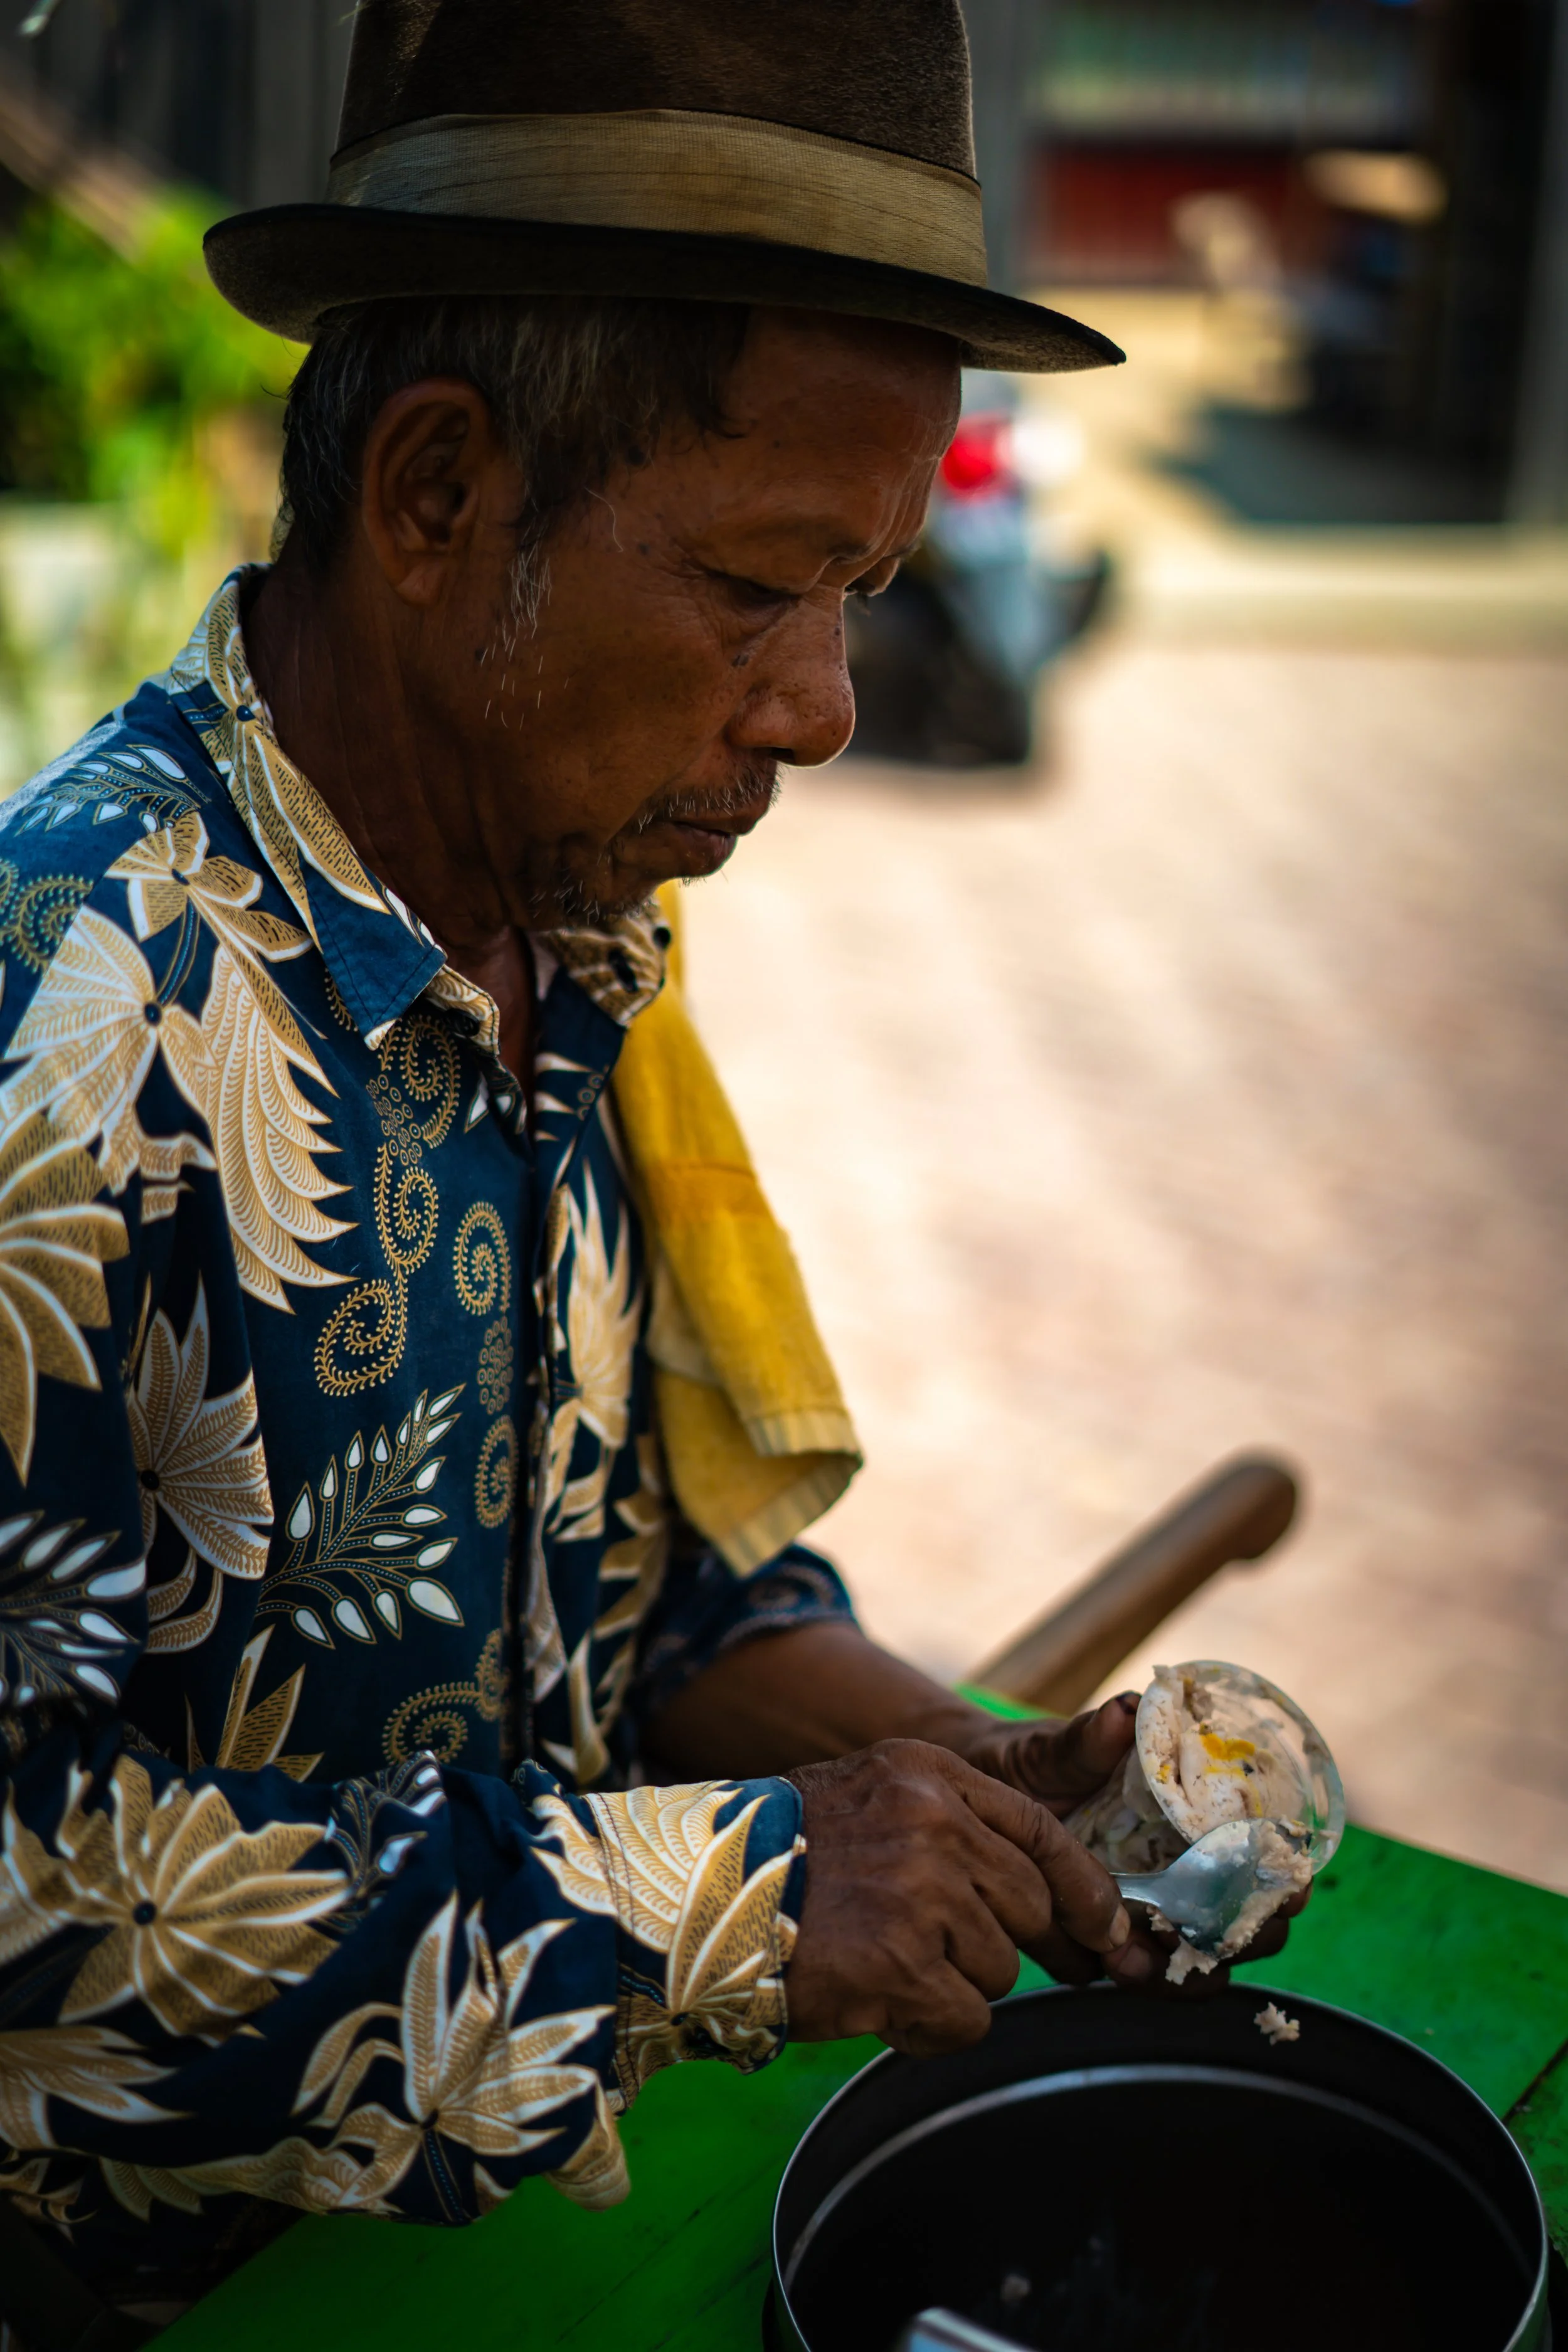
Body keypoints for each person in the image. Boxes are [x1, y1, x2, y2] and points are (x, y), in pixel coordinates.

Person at [0, 1, 1298, 2334]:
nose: (819, 703)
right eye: (750, 586)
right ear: (432, 496)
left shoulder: (571, 929)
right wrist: (734, 1894)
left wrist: (976, 1784)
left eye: (863, 591)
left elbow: (623, 1610)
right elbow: (22, 1922)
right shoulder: (71, 1042)